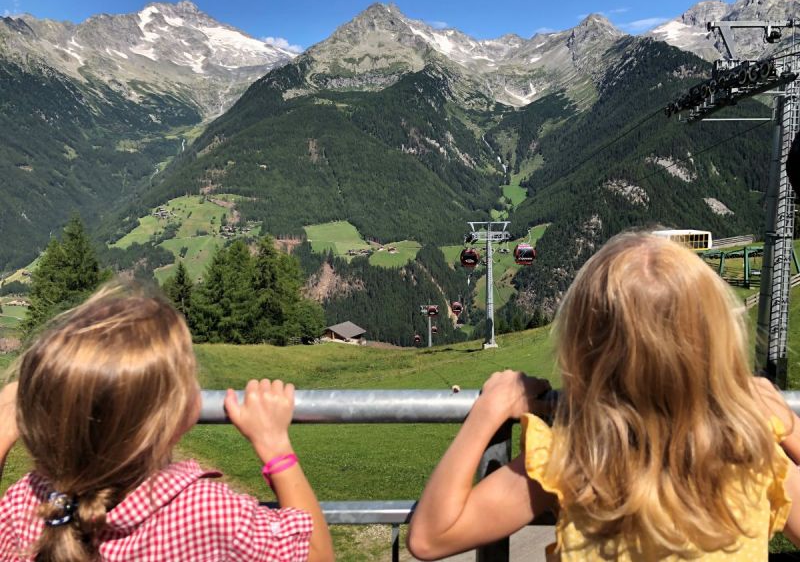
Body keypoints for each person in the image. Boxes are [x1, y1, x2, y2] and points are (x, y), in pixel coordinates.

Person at [408, 231, 800, 560]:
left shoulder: (574, 459)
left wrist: (489, 410)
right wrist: (789, 427)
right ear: (717, 345)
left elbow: (430, 537)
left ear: (584, 351)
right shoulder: (752, 455)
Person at [0, 284, 333, 561]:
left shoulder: (27, 505)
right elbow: (317, 555)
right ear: (171, 416)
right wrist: (275, 447)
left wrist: (2, 431)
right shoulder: (208, 513)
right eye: (189, 373)